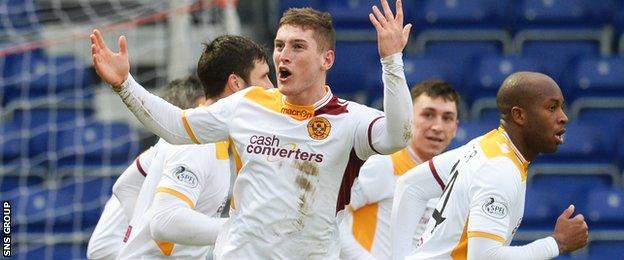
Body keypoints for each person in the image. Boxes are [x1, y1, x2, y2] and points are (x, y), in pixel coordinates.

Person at [90, 0, 414, 258]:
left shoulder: (349, 118)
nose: (282, 56)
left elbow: (399, 135)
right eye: (279, 45)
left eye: (297, 47)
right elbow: (177, 127)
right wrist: (125, 85)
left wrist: (392, 62)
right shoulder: (248, 103)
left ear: (326, 59)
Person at [87, 35, 273, 259]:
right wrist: (239, 231)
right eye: (264, 77)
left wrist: (141, 232)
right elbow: (165, 220)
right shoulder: (201, 143)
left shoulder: (207, 138)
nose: (271, 88)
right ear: (236, 84)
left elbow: (127, 185)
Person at [391, 72, 589, 260]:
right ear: (519, 115)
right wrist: (557, 243)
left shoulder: (485, 146)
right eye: (552, 108)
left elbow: (410, 186)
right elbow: (485, 257)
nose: (564, 117)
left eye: (561, 107)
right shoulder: (500, 169)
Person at [339, 79, 460, 259]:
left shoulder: (456, 176)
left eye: (447, 118)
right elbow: (333, 218)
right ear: (408, 118)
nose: (437, 127)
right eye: (428, 115)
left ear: (456, 127)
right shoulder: (382, 164)